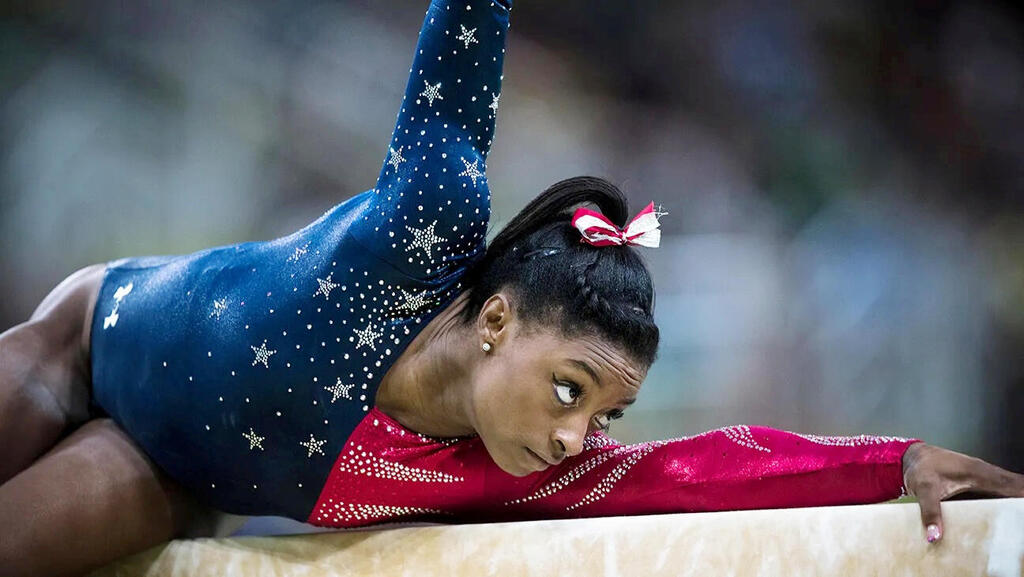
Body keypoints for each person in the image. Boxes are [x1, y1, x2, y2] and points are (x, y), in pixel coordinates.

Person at [1, 0, 1021, 575]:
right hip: (84, 342)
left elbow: (716, 465)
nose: (576, 437)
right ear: (495, 318)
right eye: (572, 389)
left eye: (605, 413)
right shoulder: (421, 235)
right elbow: (462, 46)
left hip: (168, 469)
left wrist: (897, 461)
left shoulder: (535, 467)